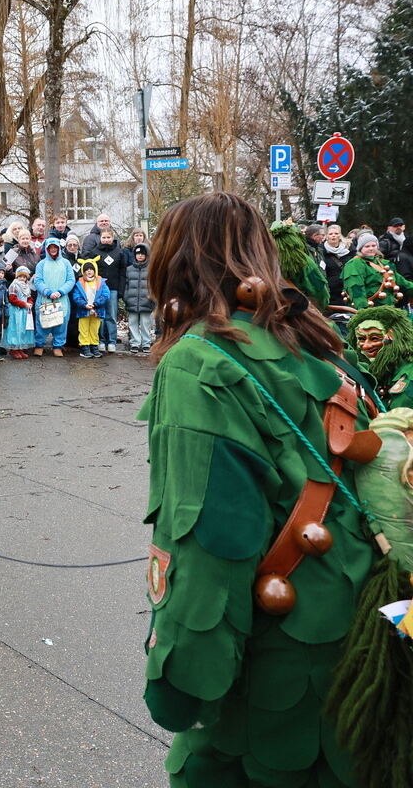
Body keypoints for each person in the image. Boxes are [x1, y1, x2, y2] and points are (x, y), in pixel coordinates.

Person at [140, 191, 379, 788]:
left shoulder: (197, 361)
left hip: (281, 658)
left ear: (175, 262)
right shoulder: (316, 342)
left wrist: (179, 675)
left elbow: (210, 537)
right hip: (363, 628)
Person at [347, 306, 413, 409]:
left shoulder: (409, 375)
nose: (366, 346)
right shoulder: (378, 370)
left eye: (374, 338)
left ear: (394, 338)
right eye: (361, 339)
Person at [341, 232, 413, 310]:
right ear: (361, 248)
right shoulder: (355, 263)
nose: (371, 248)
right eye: (367, 246)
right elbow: (356, 290)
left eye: (373, 245)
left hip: (389, 309)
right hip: (370, 311)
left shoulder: (384, 263)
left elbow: (404, 283)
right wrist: (363, 311)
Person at [32, 239, 75, 357]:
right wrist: (48, 292)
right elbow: (38, 280)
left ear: (59, 248)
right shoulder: (41, 264)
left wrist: (60, 292)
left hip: (61, 299)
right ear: (46, 249)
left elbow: (71, 280)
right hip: (45, 298)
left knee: (61, 323)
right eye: (50, 247)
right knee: (42, 322)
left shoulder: (66, 263)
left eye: (55, 247)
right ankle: (39, 345)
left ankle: (57, 346)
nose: (53, 249)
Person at [91, 228, 125, 353]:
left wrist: (121, 289)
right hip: (99, 290)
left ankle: (111, 341)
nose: (106, 240)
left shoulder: (119, 252)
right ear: (100, 238)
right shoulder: (95, 252)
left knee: (111, 315)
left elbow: (122, 272)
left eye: (108, 237)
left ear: (112, 238)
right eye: (103, 237)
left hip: (113, 289)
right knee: (100, 316)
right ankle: (100, 340)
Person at [71, 259, 110, 359]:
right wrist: (84, 304)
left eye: (91, 269)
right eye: (86, 269)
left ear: (95, 270)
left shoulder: (101, 282)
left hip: (97, 310)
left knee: (94, 329)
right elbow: (76, 296)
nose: (89, 271)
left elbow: (106, 295)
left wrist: (96, 304)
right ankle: (85, 347)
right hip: (84, 310)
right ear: (83, 271)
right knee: (83, 329)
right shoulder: (79, 283)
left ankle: (94, 346)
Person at [122, 243, 154, 354]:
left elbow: (154, 285)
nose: (140, 256)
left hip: (146, 301)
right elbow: (126, 285)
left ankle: (146, 343)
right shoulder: (129, 269)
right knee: (133, 323)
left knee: (145, 323)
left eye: (142, 254)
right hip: (132, 301)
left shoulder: (151, 269)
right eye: (138, 254)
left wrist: (152, 297)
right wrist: (126, 297)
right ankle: (134, 343)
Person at [2, 266, 35, 359]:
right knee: (15, 329)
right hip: (16, 311)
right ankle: (14, 349)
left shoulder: (27, 286)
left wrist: (30, 303)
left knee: (22, 330)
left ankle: (20, 348)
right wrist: (24, 304)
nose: (22, 279)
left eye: (24, 277)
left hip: (24, 311)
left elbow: (29, 297)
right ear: (17, 277)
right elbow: (12, 299)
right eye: (20, 277)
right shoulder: (14, 285)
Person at [319, 224, 351, 305]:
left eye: (336, 233)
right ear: (326, 236)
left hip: (347, 288)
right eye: (331, 234)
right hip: (331, 289)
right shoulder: (321, 251)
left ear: (340, 235)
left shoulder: (350, 249)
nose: (333, 236)